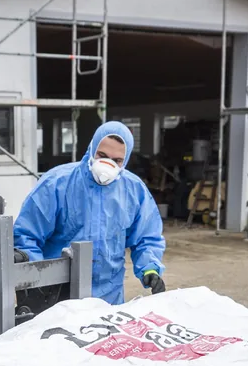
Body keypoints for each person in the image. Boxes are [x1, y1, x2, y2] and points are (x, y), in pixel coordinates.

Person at [14, 121, 166, 305]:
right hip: (57, 295)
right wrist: (38, 281)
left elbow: (146, 236)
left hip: (108, 297)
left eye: (117, 160)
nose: (107, 165)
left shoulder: (134, 190)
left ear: (125, 161)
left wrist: (149, 268)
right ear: (91, 149)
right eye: (102, 155)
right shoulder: (56, 184)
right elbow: (27, 236)